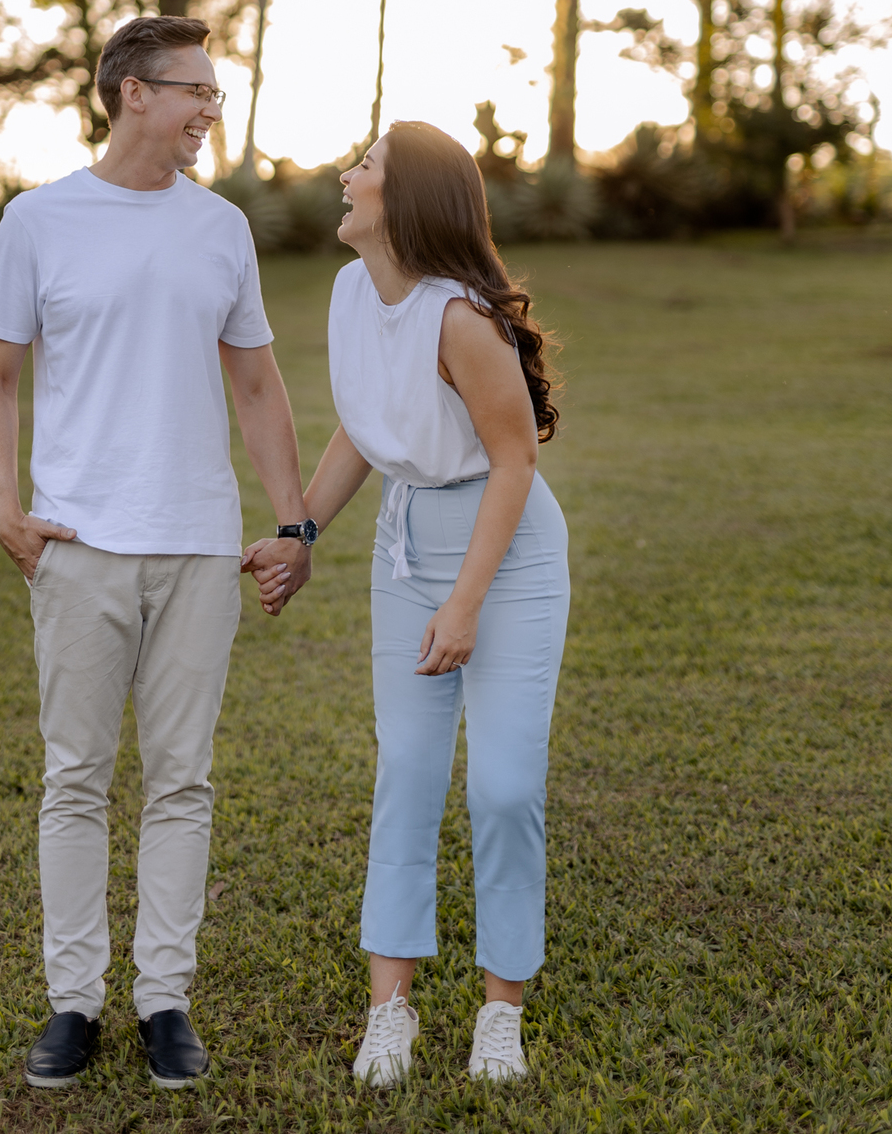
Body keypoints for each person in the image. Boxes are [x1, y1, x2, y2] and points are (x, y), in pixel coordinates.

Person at [0, 16, 315, 1092]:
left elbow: (256, 383)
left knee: (183, 784)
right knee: (74, 780)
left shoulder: (221, 230)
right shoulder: (38, 221)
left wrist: (294, 521)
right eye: (196, 91)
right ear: (132, 93)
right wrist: (4, 507)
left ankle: (166, 1000)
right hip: (77, 548)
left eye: (215, 93)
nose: (213, 108)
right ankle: (73, 1003)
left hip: (199, 548)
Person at [247, 121, 568, 1087]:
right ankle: (390, 1008)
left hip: (505, 557)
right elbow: (363, 423)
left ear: (408, 201)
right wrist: (301, 533)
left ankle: (499, 1011)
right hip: (406, 550)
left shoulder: (461, 320)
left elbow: (515, 460)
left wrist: (465, 604)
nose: (346, 177)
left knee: (505, 786)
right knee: (409, 779)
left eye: (367, 168)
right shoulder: (353, 292)